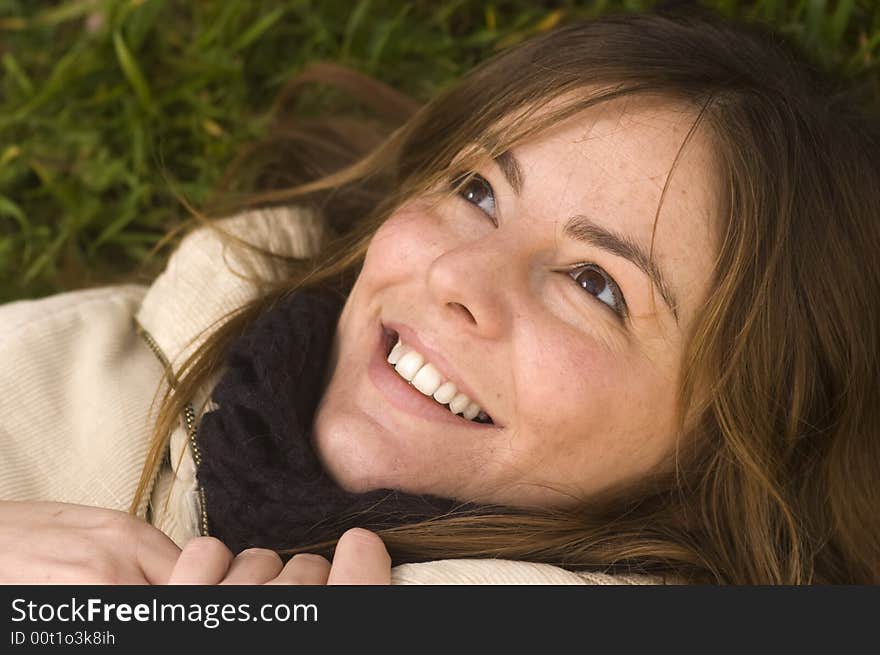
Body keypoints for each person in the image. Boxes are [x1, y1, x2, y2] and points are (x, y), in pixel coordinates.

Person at [1, 6, 878, 585]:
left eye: (594, 283)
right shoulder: (97, 356)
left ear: (728, 443)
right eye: (477, 192)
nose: (460, 277)